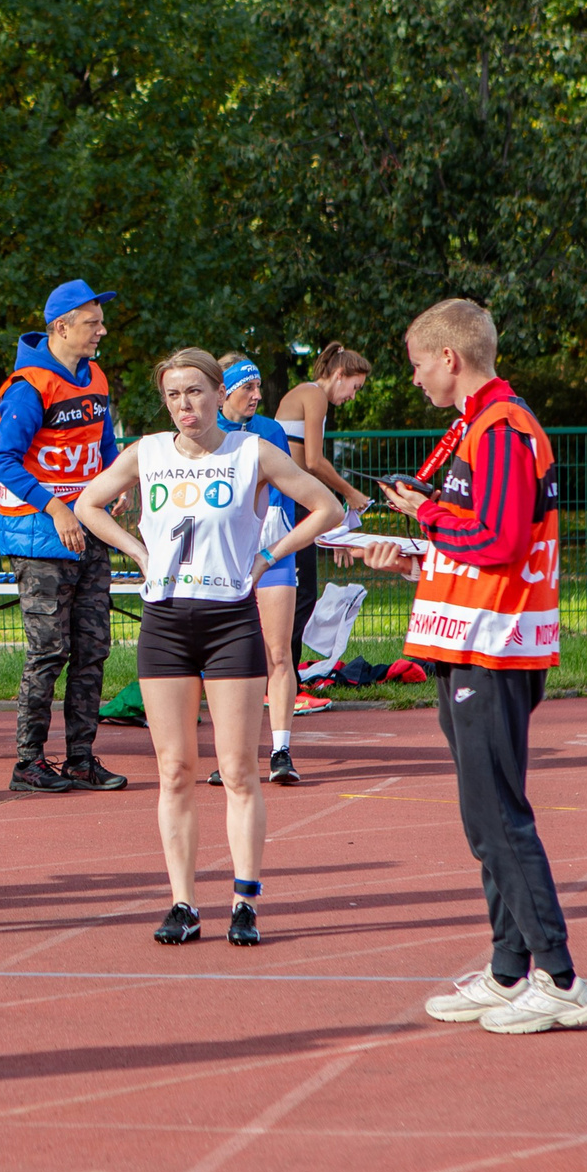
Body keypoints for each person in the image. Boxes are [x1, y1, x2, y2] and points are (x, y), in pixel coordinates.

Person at [333, 299, 587, 1034]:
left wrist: (426, 519)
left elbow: (499, 538)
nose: (415, 378)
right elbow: (470, 533)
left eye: (418, 363)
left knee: (497, 814)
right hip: (464, 636)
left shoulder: (503, 428)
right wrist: (416, 537)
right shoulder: (479, 428)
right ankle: (510, 967)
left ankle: (561, 976)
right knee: (482, 814)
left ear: (450, 357)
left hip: (495, 640)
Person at [74, 350, 339, 947]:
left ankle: (245, 902)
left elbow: (329, 506)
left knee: (241, 770)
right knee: (174, 771)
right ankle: (184, 903)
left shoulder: (250, 452)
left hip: (230, 623)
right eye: (173, 395)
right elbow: (88, 504)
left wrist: (270, 555)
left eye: (195, 391)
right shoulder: (148, 452)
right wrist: (138, 552)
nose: (185, 405)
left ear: (220, 393)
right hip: (165, 623)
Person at [0, 280, 126, 794]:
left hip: (89, 531)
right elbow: (2, 461)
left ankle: (81, 759)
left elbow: (106, 445)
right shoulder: (28, 385)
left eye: (100, 321)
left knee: (93, 649)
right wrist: (57, 508)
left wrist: (116, 482)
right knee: (49, 651)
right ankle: (28, 763)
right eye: (92, 323)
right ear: (61, 326)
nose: (102, 331)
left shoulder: (95, 376)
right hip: (39, 537)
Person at [215, 353, 308, 788]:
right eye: (247, 388)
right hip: (225, 553)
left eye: (257, 387)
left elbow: (286, 483)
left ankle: (281, 750)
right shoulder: (208, 432)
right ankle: (233, 753)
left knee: (277, 652)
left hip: (272, 547)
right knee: (228, 661)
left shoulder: (270, 431)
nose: (257, 395)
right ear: (224, 392)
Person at [273, 343, 375, 669]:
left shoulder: (311, 397)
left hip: (295, 501)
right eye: (355, 387)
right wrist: (350, 494)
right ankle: (284, 676)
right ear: (339, 374)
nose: (354, 396)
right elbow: (314, 462)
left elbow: (305, 466)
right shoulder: (314, 395)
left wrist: (333, 525)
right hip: (290, 503)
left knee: (297, 593)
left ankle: (283, 674)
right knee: (298, 594)